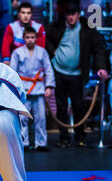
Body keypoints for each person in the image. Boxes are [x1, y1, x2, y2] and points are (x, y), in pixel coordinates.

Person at [45, 2, 108, 148]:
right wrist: (52, 51)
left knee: (78, 106)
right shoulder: (57, 26)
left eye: (73, 14)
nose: (71, 17)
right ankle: (64, 137)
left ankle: (80, 137)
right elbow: (44, 37)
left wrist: (101, 68)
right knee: (61, 107)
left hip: (78, 74)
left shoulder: (88, 28)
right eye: (68, 14)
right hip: (59, 71)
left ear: (78, 14)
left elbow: (98, 48)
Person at [10, 26, 55, 152]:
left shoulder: (42, 52)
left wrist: (49, 86)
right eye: (27, 37)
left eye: (32, 37)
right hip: (23, 88)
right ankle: (23, 143)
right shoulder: (17, 52)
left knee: (41, 117)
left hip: (39, 88)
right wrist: (14, 89)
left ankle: (40, 143)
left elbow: (49, 70)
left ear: (36, 38)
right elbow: (13, 71)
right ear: (24, 38)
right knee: (22, 118)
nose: (30, 40)